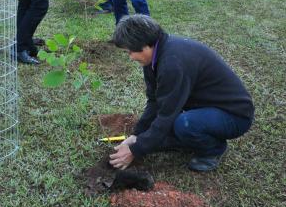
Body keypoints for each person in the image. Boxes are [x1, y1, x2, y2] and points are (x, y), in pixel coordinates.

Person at [109, 15, 254, 172]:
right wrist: (137, 135)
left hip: (234, 115)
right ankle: (192, 136)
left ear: (145, 45)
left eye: (129, 52)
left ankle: (214, 150)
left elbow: (167, 113)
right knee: (166, 132)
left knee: (184, 124)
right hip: (206, 107)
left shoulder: (172, 64)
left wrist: (135, 150)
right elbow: (155, 101)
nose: (130, 58)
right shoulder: (154, 57)